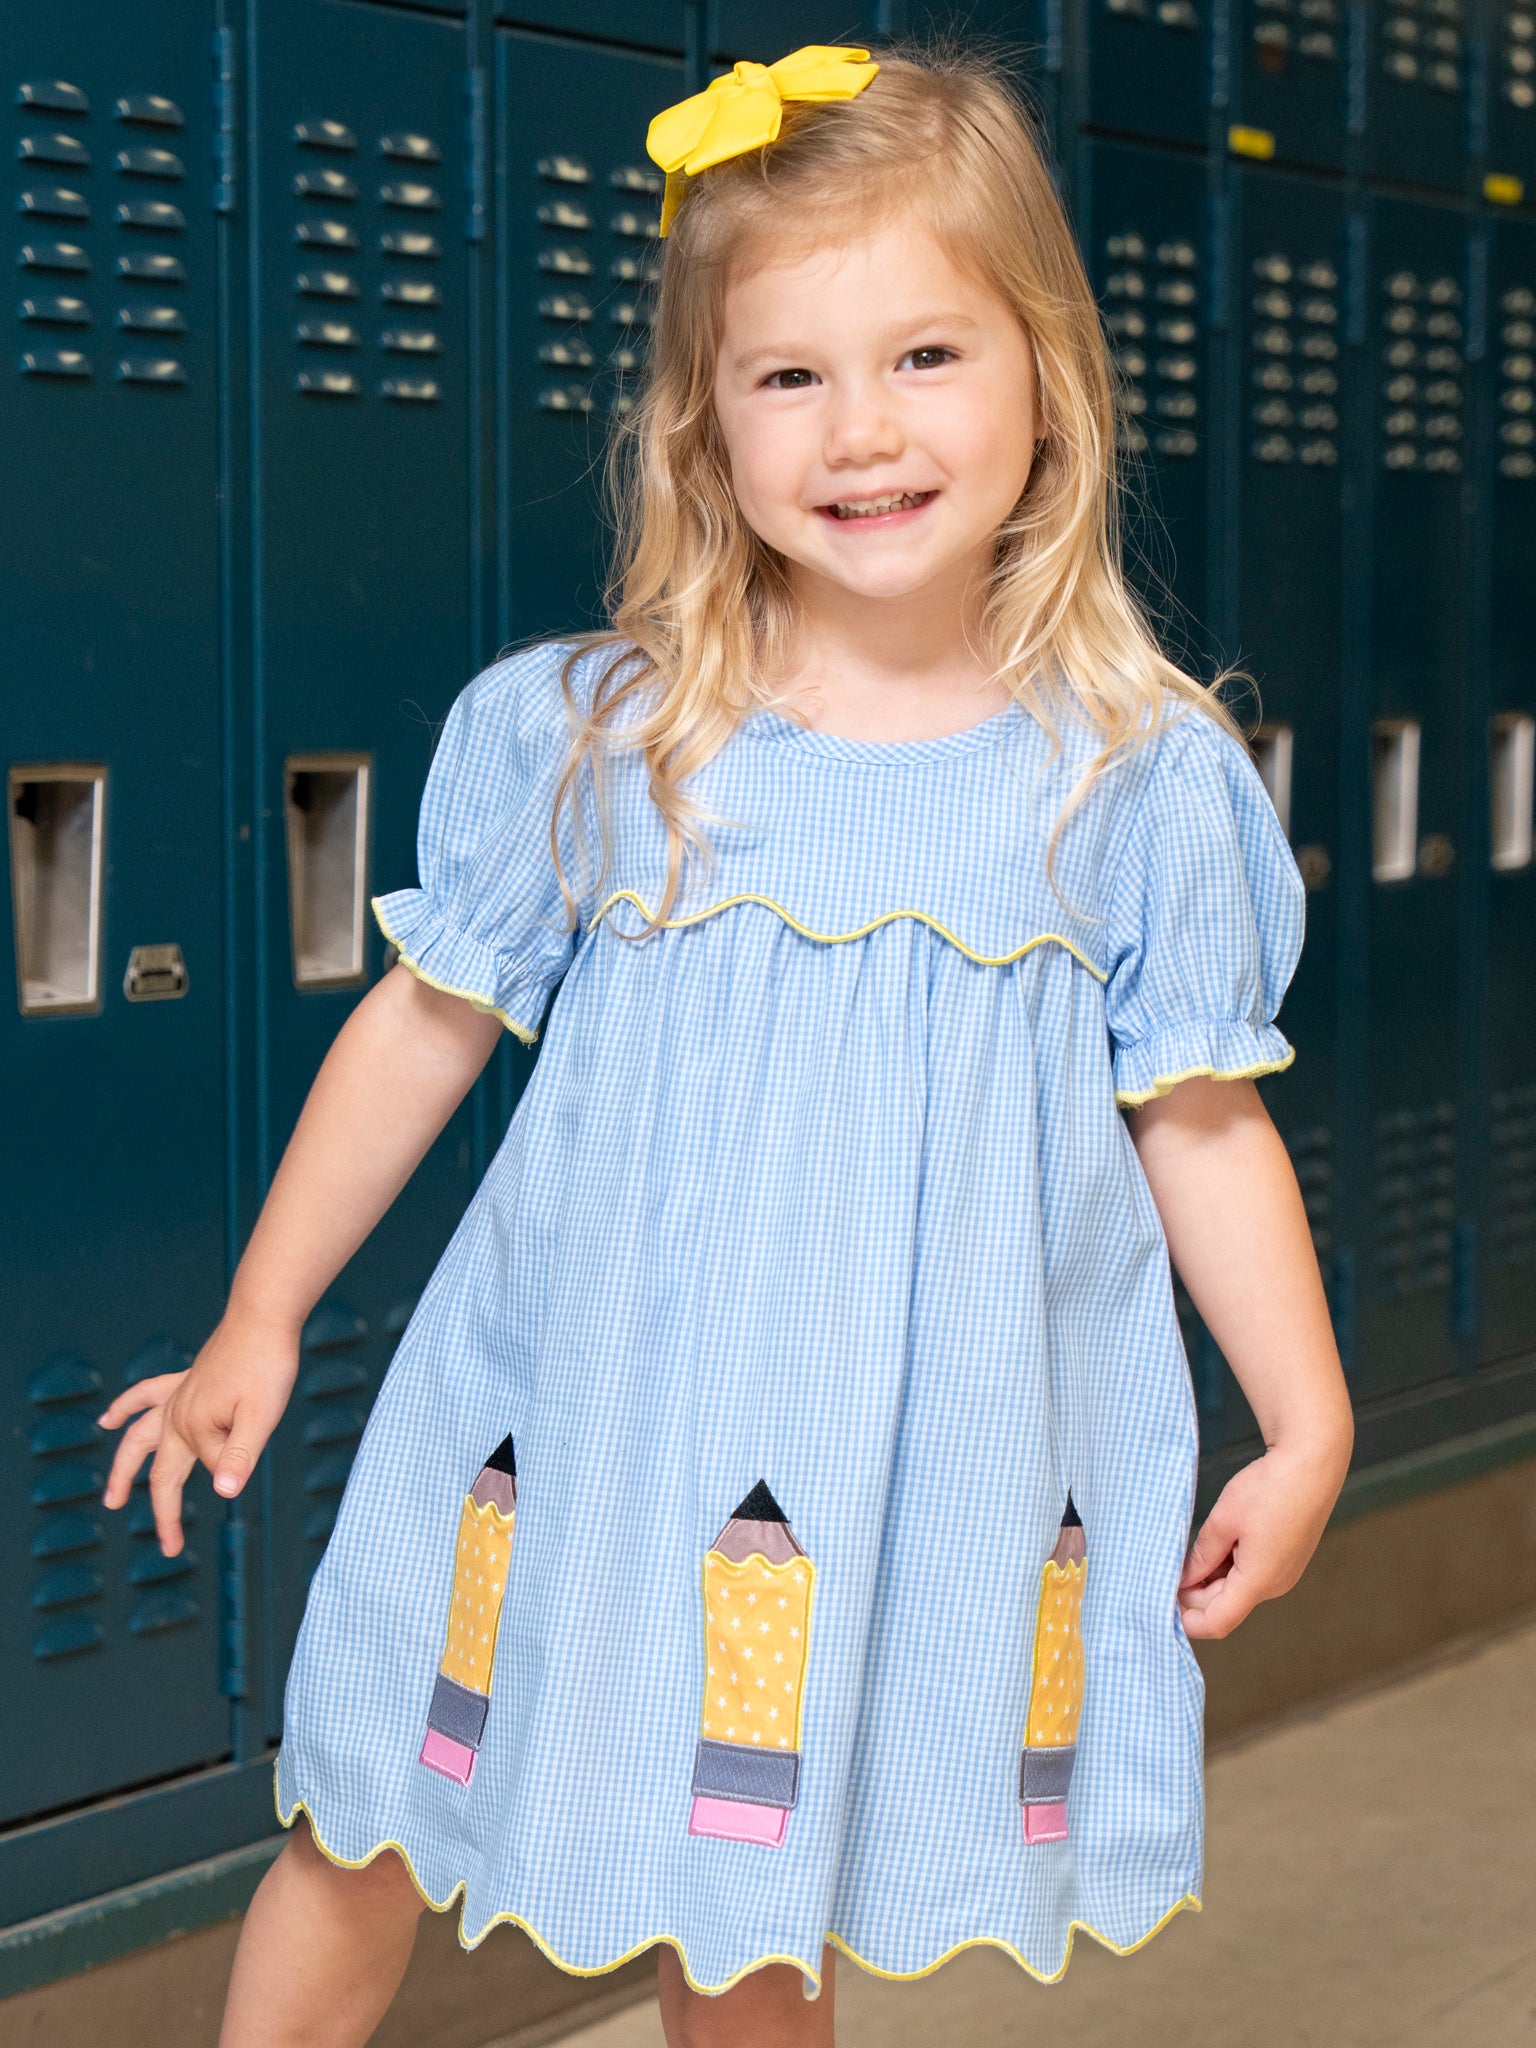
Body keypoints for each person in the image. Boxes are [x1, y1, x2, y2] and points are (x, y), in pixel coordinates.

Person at [100, 42, 1354, 2048]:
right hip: (565, 1416)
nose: (863, 430)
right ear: (708, 425)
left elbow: (1199, 1125)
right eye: (789, 376)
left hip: (851, 1467)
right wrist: (261, 1317)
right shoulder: (601, 735)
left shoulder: (1132, 784)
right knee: (363, 1821)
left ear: (1048, 378)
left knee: (752, 1918)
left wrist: (1307, 1420)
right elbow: (422, 1030)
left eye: (927, 355)